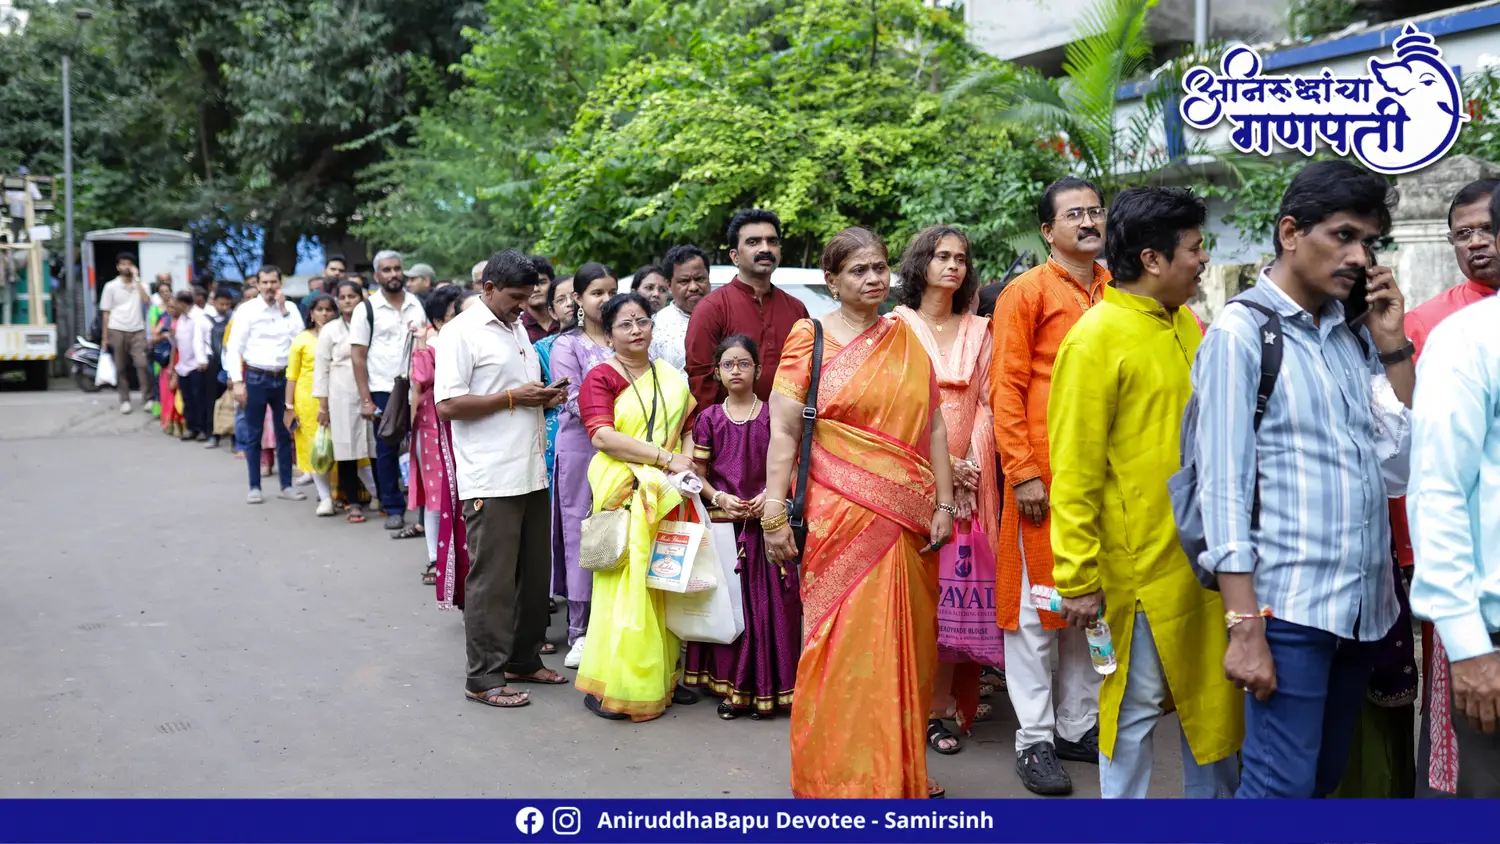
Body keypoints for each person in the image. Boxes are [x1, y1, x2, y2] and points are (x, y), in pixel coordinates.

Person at [1193, 160, 1414, 799]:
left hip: (1360, 607)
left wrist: (1392, 343)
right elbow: (1224, 491)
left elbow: (1395, 464)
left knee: (1318, 784)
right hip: (1287, 609)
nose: (1359, 255)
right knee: (1276, 789)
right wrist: (1245, 629)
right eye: (1343, 236)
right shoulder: (1242, 333)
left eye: (1368, 241)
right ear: (1291, 232)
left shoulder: (1349, 335)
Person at [1049, 187, 1241, 798]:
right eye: (1195, 248)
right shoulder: (1094, 339)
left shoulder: (1185, 321)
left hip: (1204, 563)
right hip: (1137, 576)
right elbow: (1074, 471)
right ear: (1154, 259)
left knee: (1213, 711)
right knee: (1131, 713)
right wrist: (1076, 576)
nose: (1203, 259)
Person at [764, 226, 955, 799]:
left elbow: (936, 425)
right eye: (858, 271)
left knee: (903, 640)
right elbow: (783, 429)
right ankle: (836, 774)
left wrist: (944, 503)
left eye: (879, 268)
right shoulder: (810, 336)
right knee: (839, 639)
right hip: (834, 513)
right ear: (832, 280)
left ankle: (893, 769)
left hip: (905, 516)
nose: (874, 279)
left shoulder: (906, 337)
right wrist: (773, 513)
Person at [989, 176, 1109, 795]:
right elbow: (1004, 387)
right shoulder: (1025, 292)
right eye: (1075, 215)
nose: (1088, 222)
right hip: (1043, 480)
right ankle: (1033, 739)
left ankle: (1076, 726)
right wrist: (1024, 471)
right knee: (1038, 615)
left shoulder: (1117, 292)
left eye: (1095, 211)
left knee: (1090, 607)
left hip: (1101, 483)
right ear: (1047, 231)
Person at [1392, 178, 1500, 796]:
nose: (1477, 244)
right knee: (1460, 759)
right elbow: (1433, 472)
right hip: (1463, 586)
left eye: (1485, 228)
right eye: (1464, 234)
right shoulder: (1442, 326)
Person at [435, 250, 568, 709]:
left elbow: (516, 395)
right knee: (491, 580)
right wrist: (513, 397)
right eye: (516, 297)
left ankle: (522, 658)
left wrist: (542, 399)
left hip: (531, 468)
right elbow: (448, 405)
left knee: (535, 576)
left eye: (529, 297)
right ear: (486, 288)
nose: (523, 306)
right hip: (491, 475)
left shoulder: (515, 330)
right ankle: (483, 678)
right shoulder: (460, 333)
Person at [891, 225, 1002, 755]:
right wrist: (941, 466)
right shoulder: (895, 327)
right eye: (941, 256)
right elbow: (893, 408)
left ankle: (939, 711)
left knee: (960, 598)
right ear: (921, 264)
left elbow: (989, 401)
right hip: (913, 474)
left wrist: (972, 461)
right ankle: (902, 705)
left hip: (972, 483)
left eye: (961, 258)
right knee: (915, 598)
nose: (953, 266)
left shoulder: (981, 328)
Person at [574, 291, 698, 721]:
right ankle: (614, 683)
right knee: (624, 590)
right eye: (625, 324)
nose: (635, 330)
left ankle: (662, 676)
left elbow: (688, 425)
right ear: (609, 334)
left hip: (666, 491)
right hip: (624, 487)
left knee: (663, 581)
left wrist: (683, 468)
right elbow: (602, 437)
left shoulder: (670, 375)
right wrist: (664, 460)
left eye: (642, 321)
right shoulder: (602, 377)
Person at [683, 335, 801, 720]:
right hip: (724, 529)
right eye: (728, 364)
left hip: (767, 525)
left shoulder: (774, 417)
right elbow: (696, 475)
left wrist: (769, 496)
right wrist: (720, 498)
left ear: (758, 370)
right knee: (732, 609)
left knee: (770, 608)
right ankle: (733, 689)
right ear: (717, 372)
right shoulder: (709, 419)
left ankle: (773, 689)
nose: (736, 370)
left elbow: (792, 468)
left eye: (744, 363)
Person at [549, 263, 625, 668]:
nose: (606, 299)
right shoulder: (568, 345)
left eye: (612, 290)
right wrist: (619, 420)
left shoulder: (624, 340)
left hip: (623, 447)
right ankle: (579, 631)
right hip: (583, 447)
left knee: (619, 528)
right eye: (596, 292)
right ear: (578, 299)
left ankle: (616, 622)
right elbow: (573, 398)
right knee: (584, 530)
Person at [685, 209, 809, 419]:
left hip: (790, 432)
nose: (765, 248)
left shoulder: (796, 309)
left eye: (772, 242)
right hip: (733, 433)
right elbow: (701, 380)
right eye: (753, 242)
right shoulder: (711, 308)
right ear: (734, 255)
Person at [350, 249, 429, 531]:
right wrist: (366, 399)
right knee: (386, 449)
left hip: (417, 387)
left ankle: (424, 512)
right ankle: (393, 507)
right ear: (376, 275)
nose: (394, 274)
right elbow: (358, 357)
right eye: (387, 270)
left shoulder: (416, 304)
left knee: (421, 448)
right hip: (384, 389)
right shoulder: (366, 309)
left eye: (397, 268)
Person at [225, 264, 309, 505]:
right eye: (265, 283)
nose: (270, 287)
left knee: (284, 433)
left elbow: (299, 341)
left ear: (280, 283)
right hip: (255, 377)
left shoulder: (291, 309)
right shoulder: (247, 310)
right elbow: (234, 347)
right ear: (258, 285)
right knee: (254, 434)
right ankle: (254, 486)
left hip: (284, 378)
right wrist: (238, 382)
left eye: (274, 282)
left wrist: (283, 311)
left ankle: (286, 486)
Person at [408, 285, 472, 596]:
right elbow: (418, 383)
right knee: (436, 496)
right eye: (454, 316)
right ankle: (435, 558)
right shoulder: (430, 349)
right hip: (431, 427)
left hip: (457, 425)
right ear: (437, 321)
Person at [314, 279, 381, 523]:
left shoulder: (371, 323)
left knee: (375, 448)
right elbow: (321, 370)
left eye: (351, 296)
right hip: (340, 395)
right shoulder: (330, 330)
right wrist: (323, 405)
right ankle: (353, 502)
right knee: (347, 450)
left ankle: (381, 497)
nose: (347, 301)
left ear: (361, 297)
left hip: (371, 390)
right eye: (342, 297)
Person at [285, 293, 338, 515]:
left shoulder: (343, 334)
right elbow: (292, 375)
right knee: (315, 448)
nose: (324, 314)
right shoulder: (302, 340)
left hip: (339, 397)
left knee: (345, 446)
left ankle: (353, 494)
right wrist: (289, 407)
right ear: (312, 313)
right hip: (308, 401)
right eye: (320, 310)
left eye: (328, 309)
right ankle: (325, 498)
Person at [98, 253, 152, 414]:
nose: (125, 267)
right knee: (120, 366)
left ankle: (147, 398)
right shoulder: (111, 286)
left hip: (138, 329)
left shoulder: (142, 284)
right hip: (117, 328)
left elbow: (147, 301)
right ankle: (125, 400)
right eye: (122, 264)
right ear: (117, 267)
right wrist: (105, 337)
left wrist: (137, 279)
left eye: (129, 264)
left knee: (142, 364)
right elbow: (106, 312)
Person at [535, 274, 576, 476]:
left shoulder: (610, 343)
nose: (570, 304)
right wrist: (546, 400)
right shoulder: (540, 349)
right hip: (556, 437)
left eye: (574, 296)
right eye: (561, 300)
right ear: (551, 310)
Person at [652, 245, 711, 371]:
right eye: (684, 281)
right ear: (669, 285)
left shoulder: (728, 315)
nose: (693, 287)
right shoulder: (655, 327)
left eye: (700, 279)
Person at [169, 290, 210, 441]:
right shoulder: (181, 319)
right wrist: (172, 338)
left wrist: (202, 360)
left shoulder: (199, 317)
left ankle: (203, 429)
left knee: (199, 398)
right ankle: (191, 427)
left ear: (181, 303)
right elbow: (179, 343)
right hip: (183, 365)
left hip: (196, 365)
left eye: (175, 303)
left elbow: (203, 341)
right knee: (187, 398)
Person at [204, 286, 236, 448]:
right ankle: (213, 434)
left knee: (232, 401)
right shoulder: (206, 317)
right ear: (214, 302)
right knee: (212, 400)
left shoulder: (233, 318)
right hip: (212, 363)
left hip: (230, 363)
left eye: (227, 305)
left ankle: (233, 437)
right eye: (221, 304)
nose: (224, 308)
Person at [521, 256, 559, 343]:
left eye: (542, 282)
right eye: (530, 285)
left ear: (552, 284)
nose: (536, 289)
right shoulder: (517, 327)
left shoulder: (565, 319)